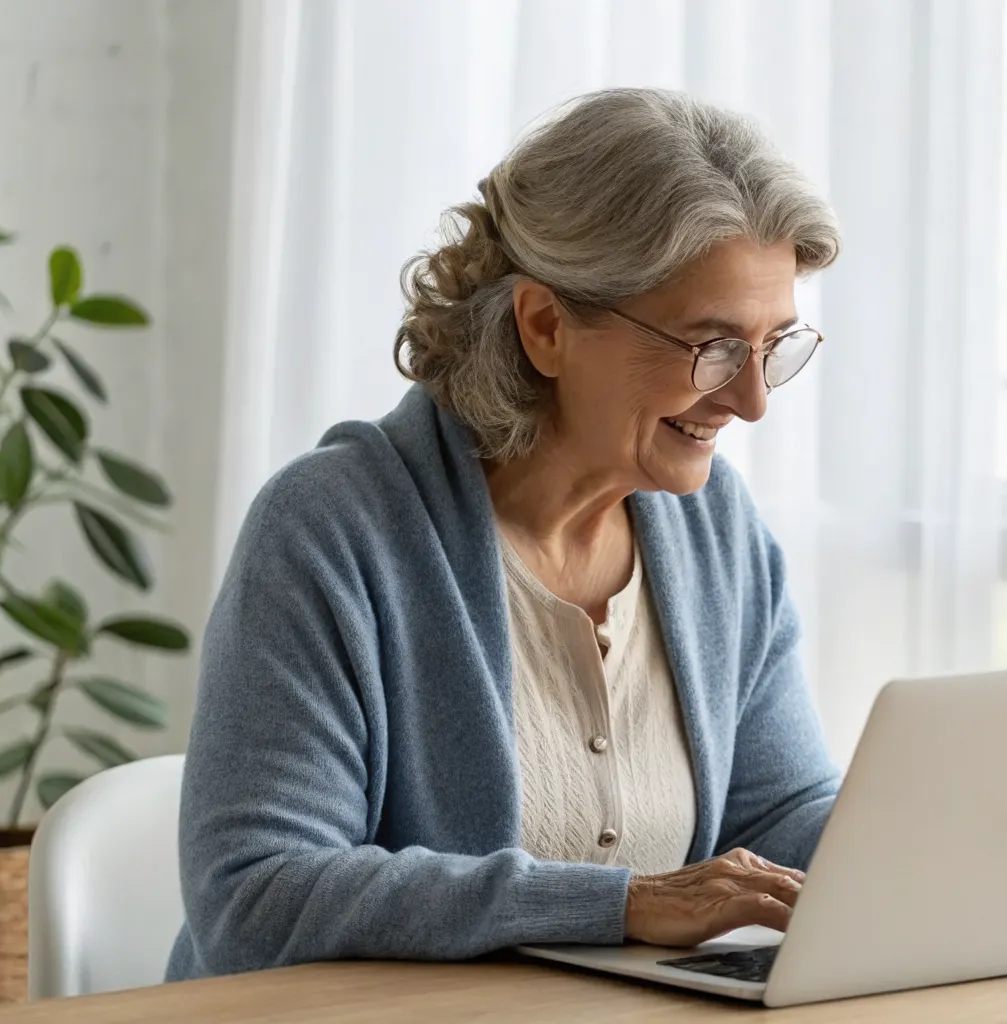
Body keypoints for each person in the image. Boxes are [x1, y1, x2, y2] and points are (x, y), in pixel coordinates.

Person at [166, 88, 843, 980]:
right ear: (547, 326)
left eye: (773, 347)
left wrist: (953, 844)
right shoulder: (332, 532)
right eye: (712, 346)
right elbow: (256, 894)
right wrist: (622, 906)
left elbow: (782, 812)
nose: (752, 400)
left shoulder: (716, 530)